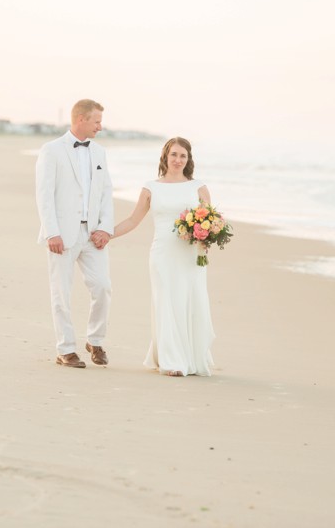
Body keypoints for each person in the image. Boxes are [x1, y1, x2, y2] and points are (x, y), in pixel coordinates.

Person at [113, 137, 215, 377]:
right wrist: (106, 235)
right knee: (166, 301)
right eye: (174, 155)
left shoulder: (198, 187)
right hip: (162, 254)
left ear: (189, 160)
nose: (178, 160)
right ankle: (171, 360)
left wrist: (205, 238)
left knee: (190, 302)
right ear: (165, 157)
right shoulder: (151, 187)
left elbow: (211, 221)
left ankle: (190, 357)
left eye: (183, 156)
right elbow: (133, 220)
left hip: (191, 255)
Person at [35, 99, 114, 368]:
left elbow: (105, 192)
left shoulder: (100, 152)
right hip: (62, 235)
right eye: (96, 121)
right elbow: (44, 194)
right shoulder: (52, 150)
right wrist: (51, 233)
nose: (100, 127)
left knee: (103, 286)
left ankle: (95, 339)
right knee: (61, 293)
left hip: (92, 234)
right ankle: (65, 349)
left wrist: (105, 227)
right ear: (81, 119)